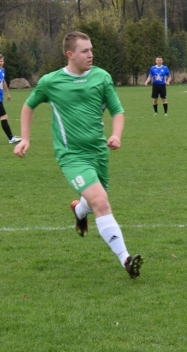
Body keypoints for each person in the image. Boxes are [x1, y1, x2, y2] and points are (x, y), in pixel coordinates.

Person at [13, 31, 143, 278]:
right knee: (102, 202)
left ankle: (79, 211)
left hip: (98, 153)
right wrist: (25, 138)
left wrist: (117, 134)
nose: (91, 54)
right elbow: (29, 105)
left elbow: (117, 110)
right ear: (70, 55)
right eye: (85, 51)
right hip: (71, 156)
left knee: (94, 203)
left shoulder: (102, 77)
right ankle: (126, 259)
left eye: (91, 49)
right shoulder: (51, 82)